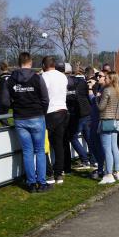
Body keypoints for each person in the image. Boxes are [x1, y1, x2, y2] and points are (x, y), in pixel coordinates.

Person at [0, 52, 51, 193]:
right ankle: (41, 182)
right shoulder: (37, 78)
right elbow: (45, 99)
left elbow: (4, 100)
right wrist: (42, 111)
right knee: (39, 150)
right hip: (36, 116)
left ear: (18, 62)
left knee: (27, 151)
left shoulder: (11, 79)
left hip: (20, 118)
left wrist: (15, 104)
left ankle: (31, 183)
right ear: (31, 62)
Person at [41, 56, 69, 184]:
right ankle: (59, 174)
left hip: (50, 112)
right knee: (59, 144)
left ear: (44, 65)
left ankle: (49, 173)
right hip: (63, 110)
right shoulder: (62, 76)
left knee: (45, 144)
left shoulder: (44, 77)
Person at [97, 71, 119, 184]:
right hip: (116, 121)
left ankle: (108, 174)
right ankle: (116, 172)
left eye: (106, 78)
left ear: (111, 79)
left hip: (107, 120)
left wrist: (96, 98)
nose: (105, 80)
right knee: (114, 147)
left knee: (107, 149)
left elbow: (101, 107)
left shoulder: (107, 90)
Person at [68, 66, 93, 170]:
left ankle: (85, 159)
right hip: (87, 112)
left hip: (77, 113)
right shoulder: (85, 83)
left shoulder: (69, 83)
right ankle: (93, 160)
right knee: (89, 138)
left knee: (72, 137)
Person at [88, 72, 106, 180]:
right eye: (97, 76)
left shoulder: (105, 90)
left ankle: (101, 169)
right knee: (93, 144)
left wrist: (90, 89)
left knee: (99, 146)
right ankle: (100, 167)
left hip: (100, 120)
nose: (98, 77)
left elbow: (95, 102)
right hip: (94, 120)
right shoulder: (100, 89)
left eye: (100, 76)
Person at [0, 62, 12, 126]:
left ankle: (7, 127)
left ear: (0, 68)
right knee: (5, 114)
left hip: (2, 98)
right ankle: (6, 126)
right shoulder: (12, 75)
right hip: (11, 99)